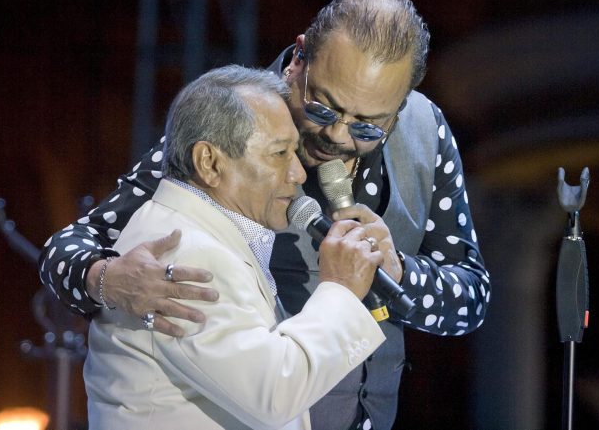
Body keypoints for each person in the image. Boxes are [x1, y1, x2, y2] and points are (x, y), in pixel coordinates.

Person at [40, 0, 491, 430]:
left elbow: (471, 301)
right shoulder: (240, 118)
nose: (337, 137)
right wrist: (105, 280)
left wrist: (397, 272)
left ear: (400, 106)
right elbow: (68, 247)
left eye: (369, 128)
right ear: (299, 60)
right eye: (323, 109)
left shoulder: (427, 131)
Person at [85, 65, 386, 429]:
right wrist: (340, 289)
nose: (298, 174)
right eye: (279, 154)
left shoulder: (202, 235)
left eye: (295, 152)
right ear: (209, 163)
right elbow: (275, 392)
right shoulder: (184, 252)